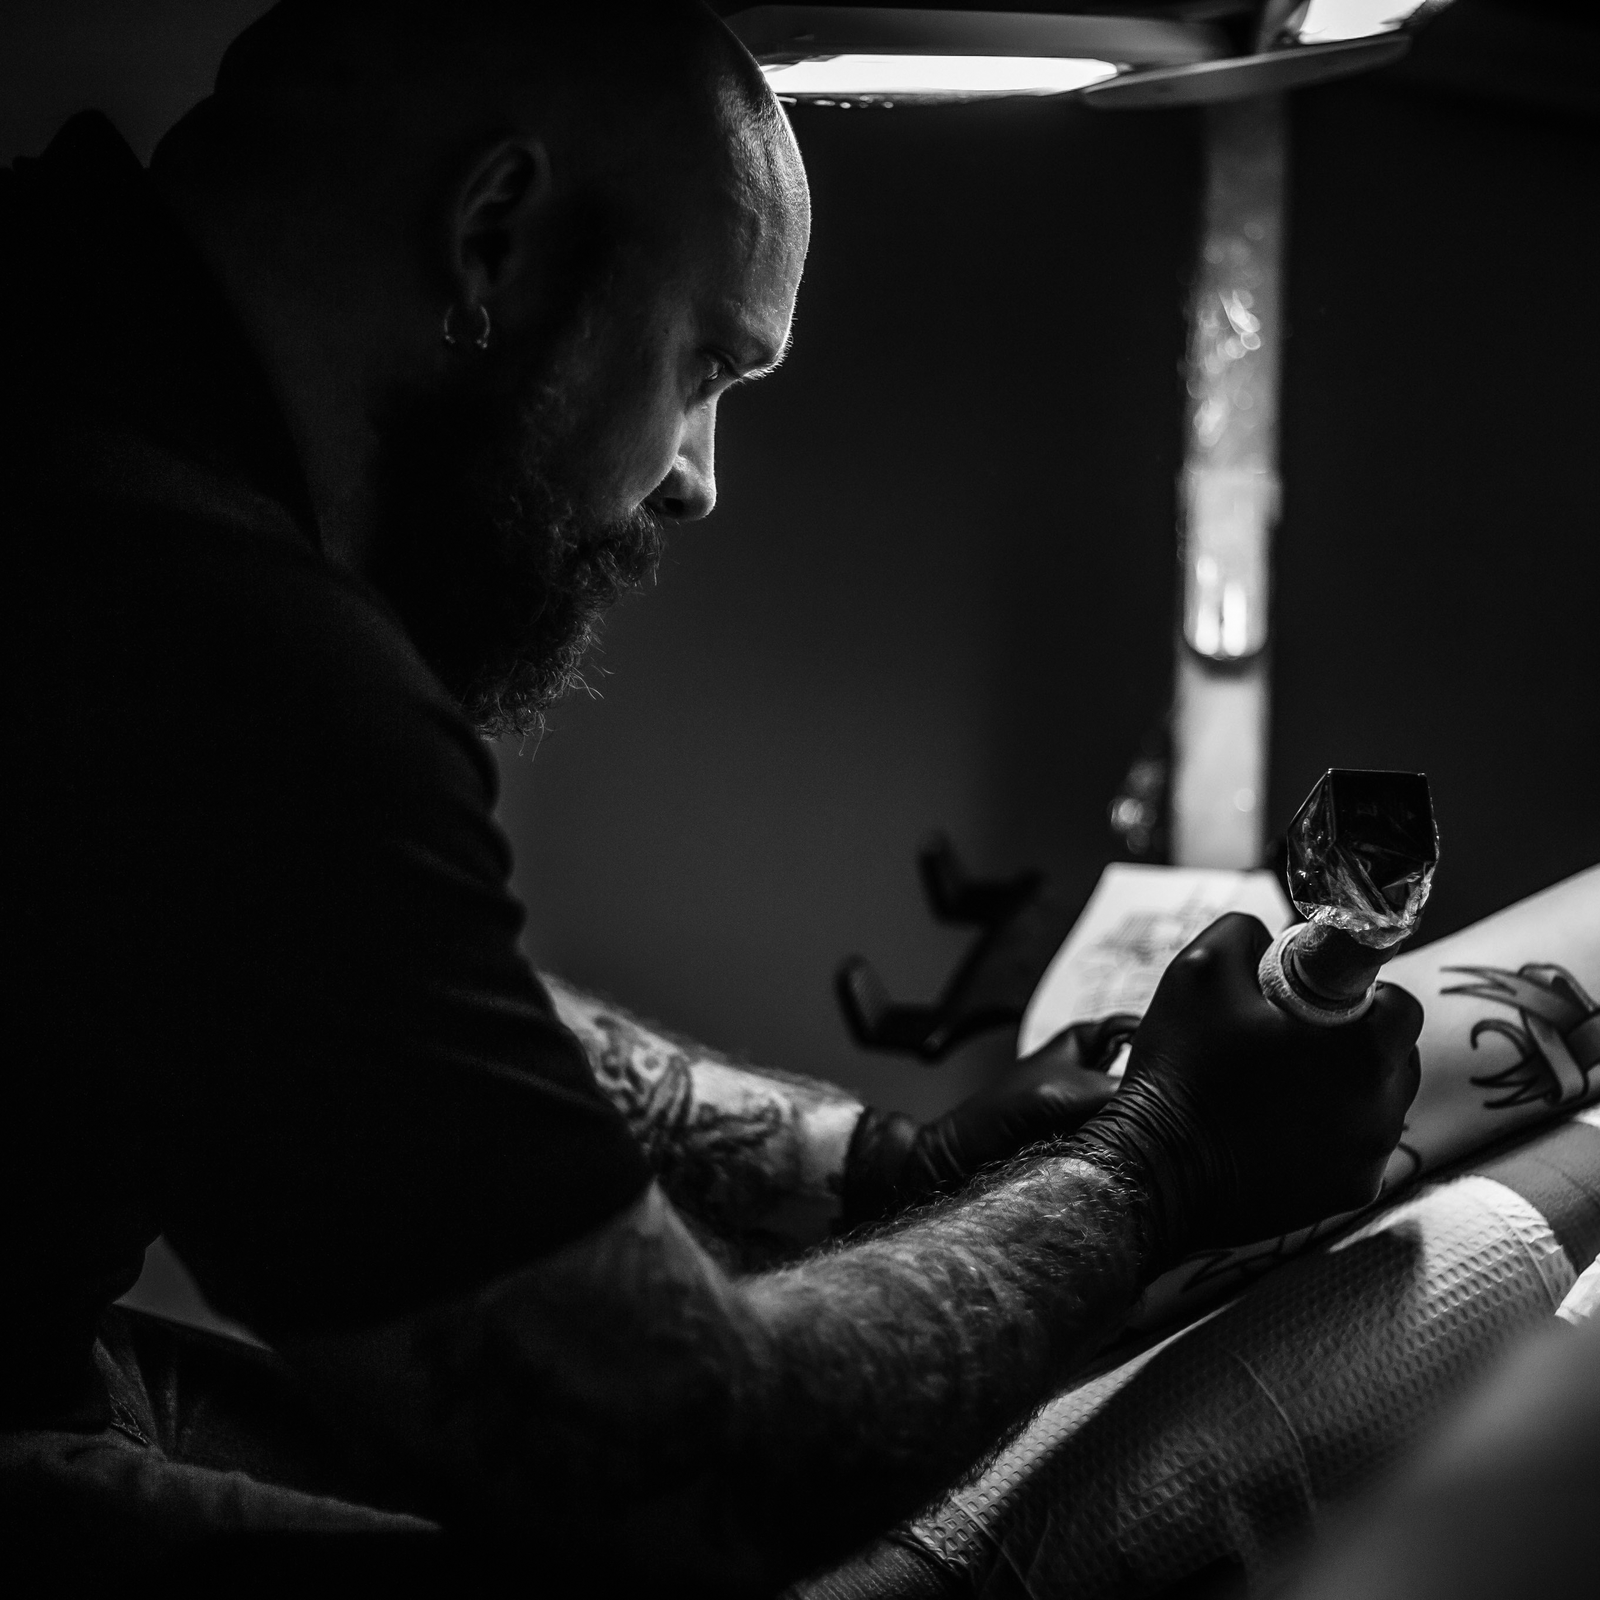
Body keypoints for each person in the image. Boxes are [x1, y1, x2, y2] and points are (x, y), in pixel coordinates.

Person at [0, 2, 1423, 1592]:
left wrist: (893, 1168)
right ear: (492, 239)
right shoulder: (204, 629)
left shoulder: (63, 370)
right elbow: (681, 1462)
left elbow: (336, 984)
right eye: (705, 367)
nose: (699, 474)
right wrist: (1163, 1163)